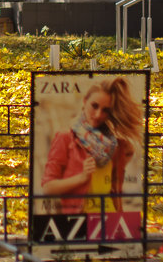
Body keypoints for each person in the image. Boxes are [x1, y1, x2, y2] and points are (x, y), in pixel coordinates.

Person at [41, 76, 142, 215]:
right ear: (84, 102)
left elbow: (115, 190)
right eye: (94, 106)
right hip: (78, 220)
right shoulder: (65, 137)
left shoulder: (115, 145)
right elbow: (48, 187)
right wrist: (81, 177)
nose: (98, 114)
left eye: (105, 110)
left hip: (110, 219)